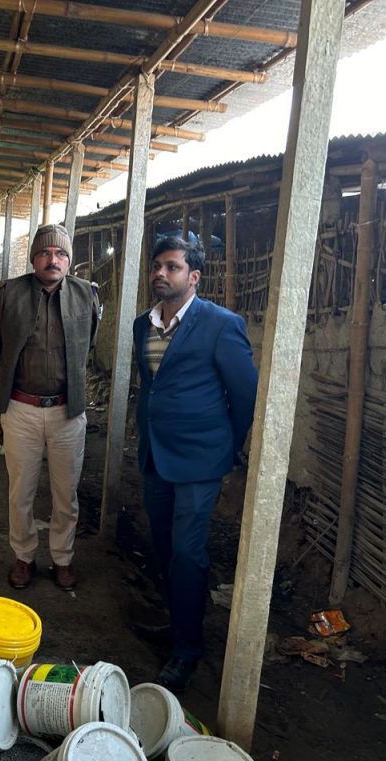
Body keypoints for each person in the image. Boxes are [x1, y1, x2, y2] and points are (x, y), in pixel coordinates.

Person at [133, 235, 258, 692]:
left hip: (200, 460)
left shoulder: (221, 325)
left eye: (172, 266)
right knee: (164, 547)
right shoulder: (142, 325)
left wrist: (227, 446)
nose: (160, 273)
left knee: (187, 553)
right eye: (157, 266)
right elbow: (151, 388)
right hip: (155, 454)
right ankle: (177, 623)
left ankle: (188, 649)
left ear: (194, 276)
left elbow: (245, 395)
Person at [0, 223, 99, 591]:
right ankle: (24, 557)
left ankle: (62, 559)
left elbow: (89, 342)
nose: (54, 259)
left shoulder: (86, 295)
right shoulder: (9, 294)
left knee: (66, 493)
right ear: (34, 258)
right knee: (21, 491)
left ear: (69, 260)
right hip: (22, 408)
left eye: (61, 253)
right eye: (46, 253)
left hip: (68, 411)